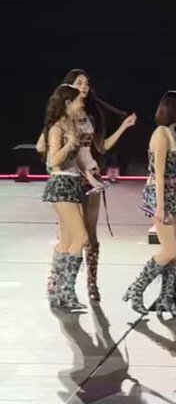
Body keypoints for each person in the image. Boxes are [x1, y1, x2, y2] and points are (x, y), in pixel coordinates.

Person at [38, 69, 137, 301]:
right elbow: (44, 148)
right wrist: (58, 151)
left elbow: (101, 147)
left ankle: (91, 283)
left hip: (87, 174)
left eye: (86, 83)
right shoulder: (62, 120)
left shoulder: (91, 116)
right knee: (69, 235)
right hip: (66, 176)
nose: (84, 86)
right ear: (69, 89)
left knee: (88, 235)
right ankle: (58, 283)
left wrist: (124, 127)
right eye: (79, 83)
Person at [123, 90, 176, 316]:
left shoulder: (172, 133)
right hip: (158, 194)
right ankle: (137, 288)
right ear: (175, 110)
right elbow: (159, 174)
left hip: (172, 194)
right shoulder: (161, 134)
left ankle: (166, 300)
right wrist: (160, 207)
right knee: (169, 251)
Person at [41, 84, 90, 311]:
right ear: (68, 103)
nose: (82, 104)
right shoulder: (57, 128)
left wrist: (90, 176)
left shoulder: (72, 125)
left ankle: (57, 291)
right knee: (81, 237)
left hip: (73, 183)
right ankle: (67, 291)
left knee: (68, 241)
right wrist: (70, 142)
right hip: (61, 184)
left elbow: (76, 160)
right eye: (78, 101)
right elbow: (53, 161)